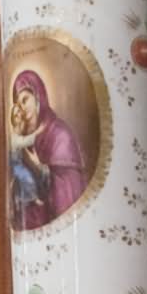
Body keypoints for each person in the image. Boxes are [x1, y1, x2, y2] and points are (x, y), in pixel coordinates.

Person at [9, 67, 88, 230]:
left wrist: (39, 168)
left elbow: (68, 188)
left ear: (38, 96)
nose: (22, 108)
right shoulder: (23, 138)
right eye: (18, 103)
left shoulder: (60, 134)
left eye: (25, 100)